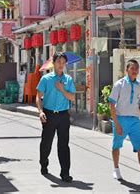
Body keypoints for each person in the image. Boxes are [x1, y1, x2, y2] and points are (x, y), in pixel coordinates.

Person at [109, 59, 140, 186]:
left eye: (137, 69)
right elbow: (112, 105)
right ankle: (116, 168)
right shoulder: (119, 84)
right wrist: (117, 123)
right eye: (132, 68)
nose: (135, 71)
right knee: (116, 146)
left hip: (135, 121)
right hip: (121, 119)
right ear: (127, 70)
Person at [36, 52, 76, 182]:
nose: (61, 65)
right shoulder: (46, 79)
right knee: (46, 143)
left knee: (63, 145)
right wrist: (40, 111)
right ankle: (43, 163)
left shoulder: (68, 79)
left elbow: (72, 97)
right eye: (59, 62)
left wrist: (62, 89)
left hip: (64, 115)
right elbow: (39, 96)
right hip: (49, 114)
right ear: (54, 63)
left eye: (63, 62)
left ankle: (65, 173)